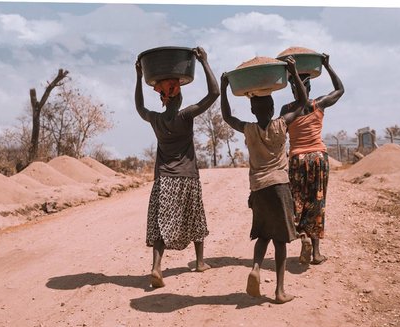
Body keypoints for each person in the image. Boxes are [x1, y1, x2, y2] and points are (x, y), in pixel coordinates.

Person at [220, 56, 307, 304]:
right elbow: (301, 102)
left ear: (252, 110)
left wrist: (225, 88)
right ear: (271, 108)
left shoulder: (248, 129)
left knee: (263, 234)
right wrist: (293, 72)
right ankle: (279, 291)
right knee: (280, 240)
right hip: (279, 186)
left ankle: (256, 267)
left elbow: (227, 117)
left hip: (258, 188)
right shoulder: (282, 124)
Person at [135, 46, 219, 288]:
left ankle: (156, 267)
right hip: (187, 177)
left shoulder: (156, 119)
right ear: (177, 97)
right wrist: (204, 62)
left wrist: (139, 77)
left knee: (163, 223)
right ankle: (200, 262)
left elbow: (139, 107)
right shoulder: (185, 116)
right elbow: (214, 94)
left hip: (164, 179)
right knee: (196, 218)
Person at [280, 53, 344, 265]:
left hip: (297, 158)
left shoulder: (286, 110)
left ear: (292, 87)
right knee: (317, 202)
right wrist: (327, 64)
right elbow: (340, 89)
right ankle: (316, 253)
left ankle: (304, 237)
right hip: (318, 158)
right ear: (309, 88)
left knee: (298, 201)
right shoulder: (319, 104)